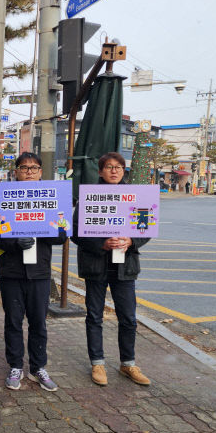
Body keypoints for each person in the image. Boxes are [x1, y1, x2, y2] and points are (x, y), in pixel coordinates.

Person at [0, 152, 66, 392]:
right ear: (16, 172)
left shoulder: (53, 196)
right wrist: (13, 242)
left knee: (38, 323)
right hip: (11, 271)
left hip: (39, 272)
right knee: (13, 321)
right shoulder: (3, 196)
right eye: (24, 168)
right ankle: (15, 366)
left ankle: (38, 367)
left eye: (34, 168)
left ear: (41, 172)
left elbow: (62, 235)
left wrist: (42, 228)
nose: (29, 171)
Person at [71, 152, 151, 387]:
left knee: (128, 317)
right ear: (101, 171)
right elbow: (75, 232)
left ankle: (128, 363)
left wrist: (131, 241)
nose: (114, 171)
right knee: (94, 316)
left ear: (124, 170)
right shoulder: (88, 197)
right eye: (109, 167)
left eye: (118, 167)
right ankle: (97, 362)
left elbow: (144, 229)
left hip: (125, 267)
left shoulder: (137, 196)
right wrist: (101, 244)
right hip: (96, 265)